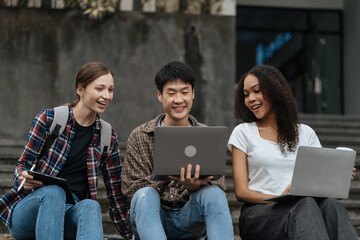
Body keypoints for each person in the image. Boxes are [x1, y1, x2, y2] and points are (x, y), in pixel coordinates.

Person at [0, 62, 132, 239]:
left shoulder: (107, 136)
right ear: (80, 89)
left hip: (69, 215)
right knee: (55, 192)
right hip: (29, 214)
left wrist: (131, 234)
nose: (106, 96)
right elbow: (23, 164)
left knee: (91, 206)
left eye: (110, 89)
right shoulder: (48, 120)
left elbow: (116, 194)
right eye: (100, 89)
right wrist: (22, 177)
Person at [228, 64, 358, 240]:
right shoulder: (243, 132)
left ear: (275, 91)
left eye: (257, 91)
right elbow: (241, 192)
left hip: (303, 209)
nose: (250, 98)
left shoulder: (305, 133)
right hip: (259, 215)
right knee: (304, 205)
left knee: (331, 206)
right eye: (246, 94)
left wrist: (337, 176)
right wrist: (282, 197)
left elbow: (319, 182)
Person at [121, 61, 234, 240]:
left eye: (184, 92)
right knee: (145, 194)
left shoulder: (207, 136)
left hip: (189, 219)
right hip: (152, 218)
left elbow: (219, 185)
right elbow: (130, 188)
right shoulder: (140, 135)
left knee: (214, 193)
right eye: (171, 93)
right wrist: (164, 178)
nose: (179, 99)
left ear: (193, 94)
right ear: (160, 95)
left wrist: (193, 187)